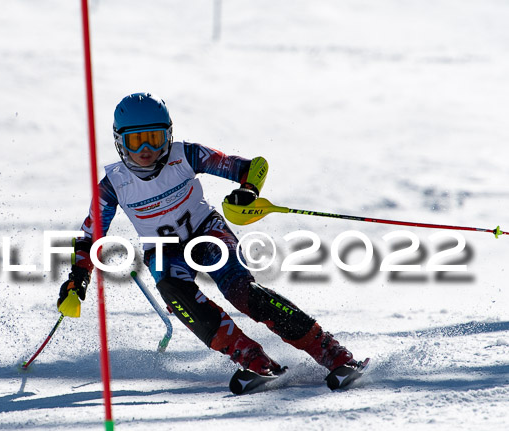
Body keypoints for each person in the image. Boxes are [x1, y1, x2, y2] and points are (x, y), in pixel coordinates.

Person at [58, 92, 365, 390]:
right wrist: (78, 277)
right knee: (174, 292)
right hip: (164, 252)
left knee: (242, 292)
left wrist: (248, 191)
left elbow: (252, 167)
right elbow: (90, 236)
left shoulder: (186, 155)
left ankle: (331, 352)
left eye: (155, 138)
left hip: (207, 232)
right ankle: (253, 359)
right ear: (119, 142)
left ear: (169, 135)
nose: (146, 149)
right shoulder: (113, 185)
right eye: (136, 140)